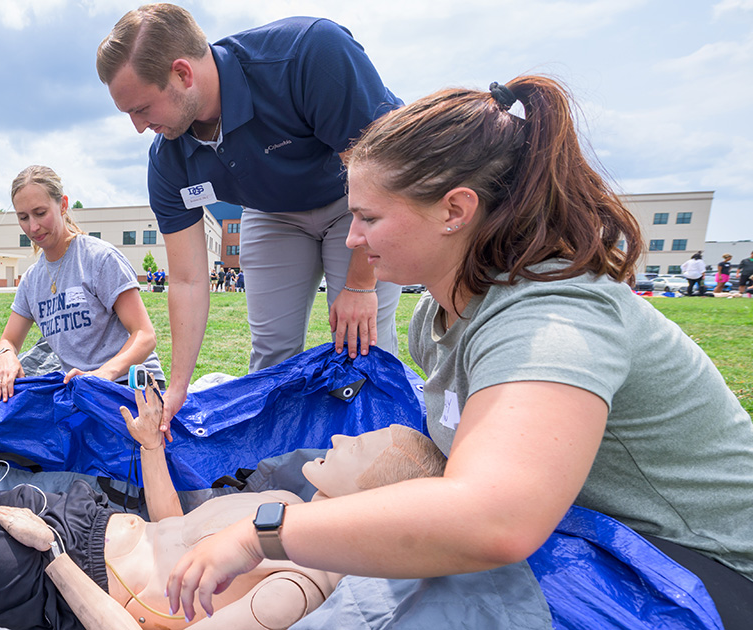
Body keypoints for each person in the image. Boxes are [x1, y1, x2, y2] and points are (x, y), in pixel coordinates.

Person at [163, 76, 753, 627]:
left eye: (368, 217)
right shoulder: (437, 318)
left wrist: (261, 533)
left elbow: (494, 519)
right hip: (589, 541)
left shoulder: (551, 316)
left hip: (699, 572)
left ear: (454, 210)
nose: (351, 238)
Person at [97, 4, 404, 427]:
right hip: (271, 212)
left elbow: (385, 175)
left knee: (362, 343)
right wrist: (180, 385)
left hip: (356, 199)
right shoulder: (168, 159)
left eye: (142, 108)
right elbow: (188, 279)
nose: (137, 126)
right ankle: (278, 456)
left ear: (183, 74)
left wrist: (358, 284)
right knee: (271, 356)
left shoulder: (307, 53)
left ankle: (385, 451)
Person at [0, 384, 446, 629]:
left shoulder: (295, 584)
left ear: (371, 495)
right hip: (77, 518)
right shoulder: (282, 506)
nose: (339, 437)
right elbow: (178, 530)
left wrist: (54, 556)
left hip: (60, 577)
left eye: (361, 447)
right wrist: (152, 448)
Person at [0, 166, 164, 401]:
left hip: (129, 384)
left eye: (40, 213)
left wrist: (102, 374)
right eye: (23, 217)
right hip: (82, 389)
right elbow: (8, 340)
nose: (32, 227)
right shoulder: (32, 280)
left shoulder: (98, 259)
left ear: (63, 205)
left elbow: (144, 335)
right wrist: (7, 355)